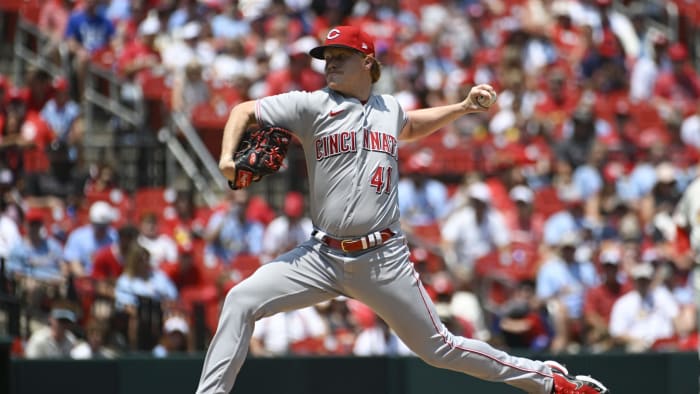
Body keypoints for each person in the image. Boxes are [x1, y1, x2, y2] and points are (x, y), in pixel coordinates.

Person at [195, 25, 609, 394]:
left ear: (367, 62)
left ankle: (549, 381)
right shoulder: (311, 105)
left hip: (382, 259)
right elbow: (242, 111)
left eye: (341, 58)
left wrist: (462, 108)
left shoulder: (388, 108)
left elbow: (409, 125)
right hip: (320, 257)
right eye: (327, 59)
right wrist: (227, 158)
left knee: (439, 348)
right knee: (239, 300)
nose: (330, 65)